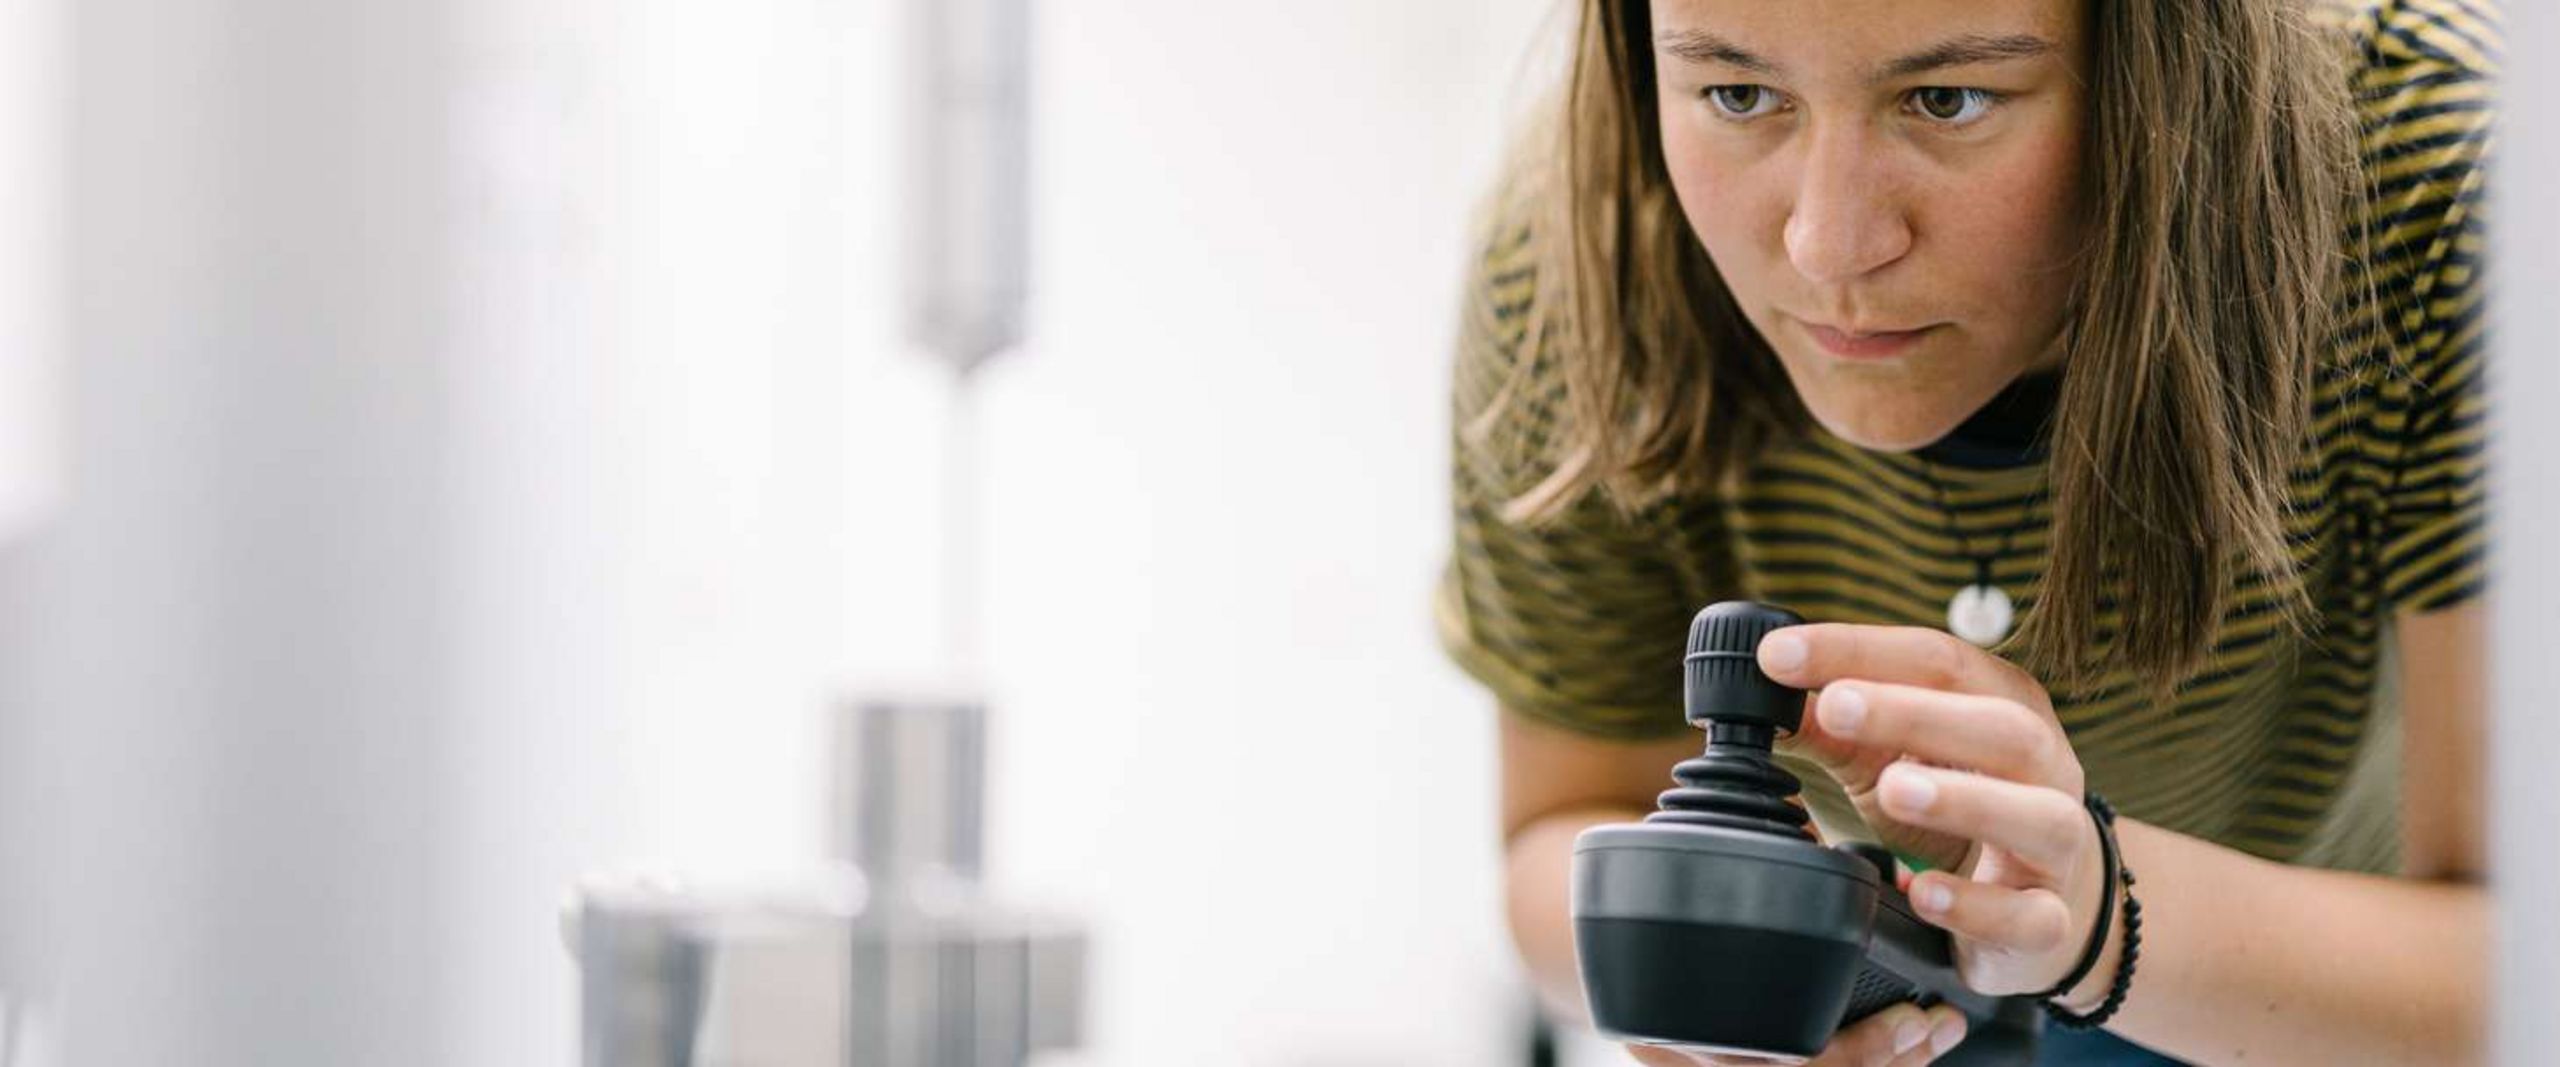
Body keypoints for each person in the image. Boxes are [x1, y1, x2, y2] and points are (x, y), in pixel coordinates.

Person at [1435, 1, 2495, 1064]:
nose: (1828, 245)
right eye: (1738, 94)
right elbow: (1563, 825)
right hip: (1878, 981)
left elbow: (2514, 965)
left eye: (1946, 99)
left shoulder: (2456, 188)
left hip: (2330, 980)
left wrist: (2091, 919)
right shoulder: (1585, 258)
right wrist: (1720, 992)